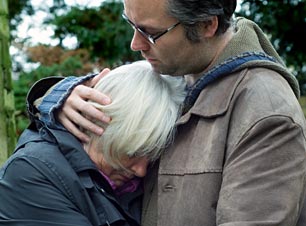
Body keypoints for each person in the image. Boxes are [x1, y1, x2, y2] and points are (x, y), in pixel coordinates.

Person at [23, 0, 306, 225]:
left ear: (207, 25)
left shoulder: (266, 114)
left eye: (150, 33)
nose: (135, 43)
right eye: (131, 24)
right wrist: (56, 98)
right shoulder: (178, 68)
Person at [0, 61, 186, 226]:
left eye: (152, 155)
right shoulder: (31, 173)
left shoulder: (122, 178)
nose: (141, 170)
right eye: (131, 152)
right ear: (96, 122)